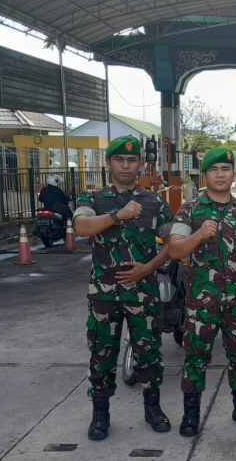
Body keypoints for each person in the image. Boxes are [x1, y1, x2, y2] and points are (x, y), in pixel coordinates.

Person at [72, 135, 175, 440]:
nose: (126, 165)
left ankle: (152, 408)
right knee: (101, 354)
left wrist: (149, 267)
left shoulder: (155, 202)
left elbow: (173, 244)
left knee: (149, 352)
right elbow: (81, 228)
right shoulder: (91, 199)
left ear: (140, 164)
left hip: (143, 293)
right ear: (109, 163)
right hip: (104, 294)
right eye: (120, 159)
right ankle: (100, 414)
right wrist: (118, 214)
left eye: (132, 160)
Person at [168, 147, 236, 437]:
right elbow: (174, 250)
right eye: (214, 170)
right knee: (196, 357)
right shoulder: (189, 210)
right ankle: (191, 415)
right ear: (205, 175)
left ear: (234, 174)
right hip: (202, 300)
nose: (220, 174)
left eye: (226, 169)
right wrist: (198, 235)